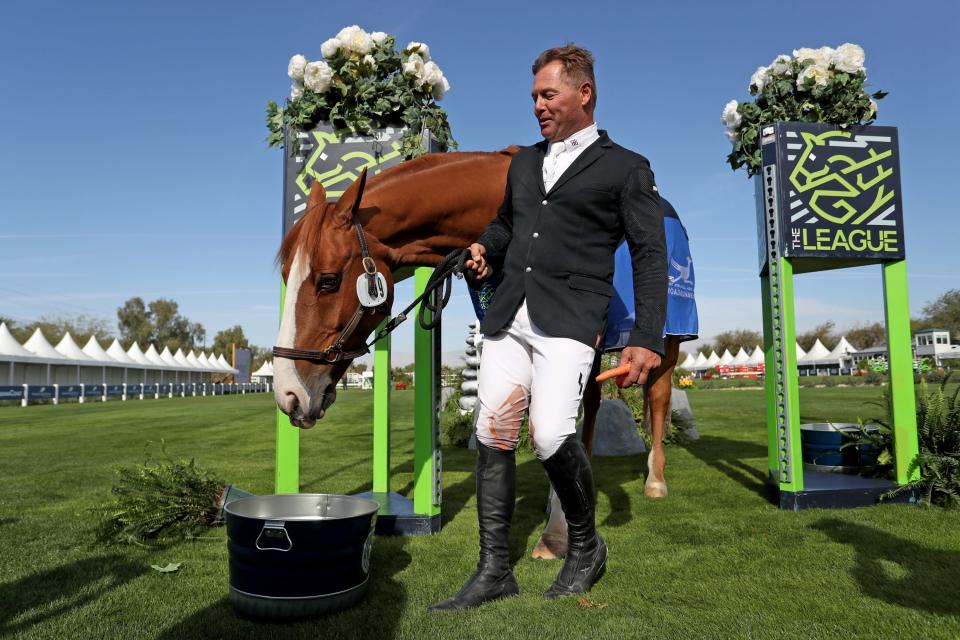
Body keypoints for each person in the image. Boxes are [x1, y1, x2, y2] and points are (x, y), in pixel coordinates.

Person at [429, 44, 667, 611]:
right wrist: (485, 246)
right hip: (510, 313)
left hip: (571, 317)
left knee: (551, 434)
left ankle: (586, 548)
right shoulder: (524, 162)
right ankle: (493, 571)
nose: (537, 105)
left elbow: (649, 255)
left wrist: (646, 338)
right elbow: (508, 224)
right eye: (534, 96)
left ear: (583, 93)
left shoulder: (626, 167)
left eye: (548, 94)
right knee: (493, 432)